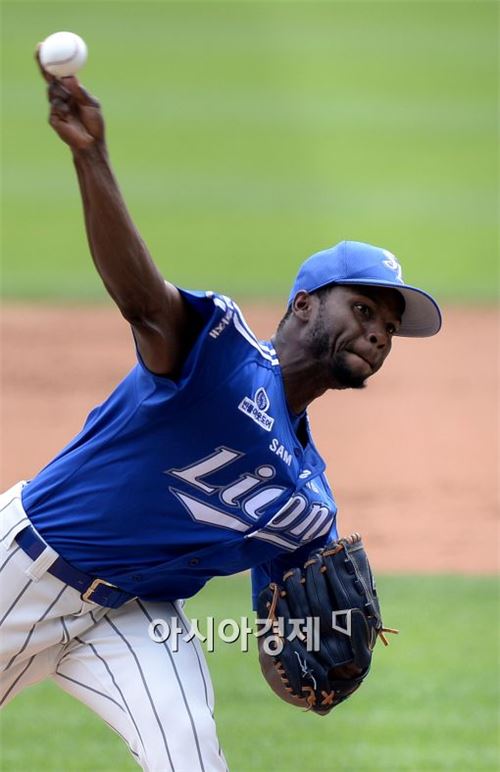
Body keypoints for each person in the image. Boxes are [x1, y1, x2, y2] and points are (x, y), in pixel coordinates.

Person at [0, 60, 442, 772]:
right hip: (21, 571)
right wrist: (92, 156)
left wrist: (314, 660)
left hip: (132, 614)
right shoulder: (221, 353)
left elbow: (283, 634)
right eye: (363, 311)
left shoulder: (309, 502)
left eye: (388, 329)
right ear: (303, 304)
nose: (377, 334)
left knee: (192, 753)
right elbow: (141, 298)